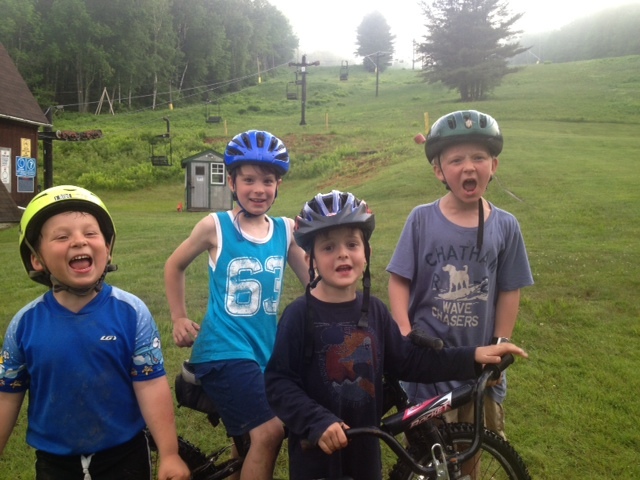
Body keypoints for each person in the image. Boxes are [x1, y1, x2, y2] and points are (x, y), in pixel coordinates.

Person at [264, 190, 528, 480]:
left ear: (367, 253)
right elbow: (279, 382)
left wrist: (472, 357)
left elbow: (410, 361)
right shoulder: (299, 315)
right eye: (328, 247)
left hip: (365, 455)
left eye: (352, 244)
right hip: (316, 457)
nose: (342, 253)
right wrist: (316, 421)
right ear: (309, 258)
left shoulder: (374, 312)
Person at [0, 185, 190, 480]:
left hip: (124, 455)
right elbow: (7, 397)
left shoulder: (131, 313)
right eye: (62, 237)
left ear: (108, 247)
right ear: (37, 259)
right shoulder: (25, 324)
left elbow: (151, 386)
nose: (79, 242)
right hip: (54, 461)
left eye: (90, 234)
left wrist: (169, 453)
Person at [164, 129, 309, 480]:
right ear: (231, 182)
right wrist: (179, 317)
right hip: (222, 349)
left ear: (279, 186)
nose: (258, 189)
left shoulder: (286, 230)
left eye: (268, 180)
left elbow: (314, 282)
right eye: (248, 179)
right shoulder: (216, 225)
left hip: (265, 351)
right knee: (269, 431)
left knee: (248, 438)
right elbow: (174, 265)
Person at [387, 110, 534, 439]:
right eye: (456, 160)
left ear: (493, 165)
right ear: (439, 170)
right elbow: (399, 278)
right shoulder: (421, 220)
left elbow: (510, 289)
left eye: (479, 157)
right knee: (427, 454)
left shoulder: (506, 225)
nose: (469, 167)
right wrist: (404, 330)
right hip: (427, 365)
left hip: (478, 364)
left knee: (472, 449)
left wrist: (500, 342)